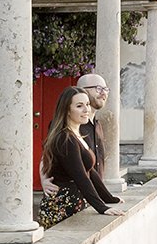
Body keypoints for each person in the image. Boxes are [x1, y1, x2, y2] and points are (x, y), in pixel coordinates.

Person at [37, 87, 124, 228]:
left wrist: (109, 198)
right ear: (67, 110)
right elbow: (81, 176)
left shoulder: (77, 135)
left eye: (87, 104)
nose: (86, 110)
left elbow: (90, 171)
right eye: (79, 106)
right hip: (61, 207)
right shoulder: (65, 138)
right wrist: (102, 207)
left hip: (73, 203)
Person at [40, 73, 111, 194]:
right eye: (98, 88)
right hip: (73, 196)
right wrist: (44, 180)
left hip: (91, 196)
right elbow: (47, 155)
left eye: (105, 89)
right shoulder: (68, 126)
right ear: (83, 91)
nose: (103, 93)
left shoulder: (97, 125)